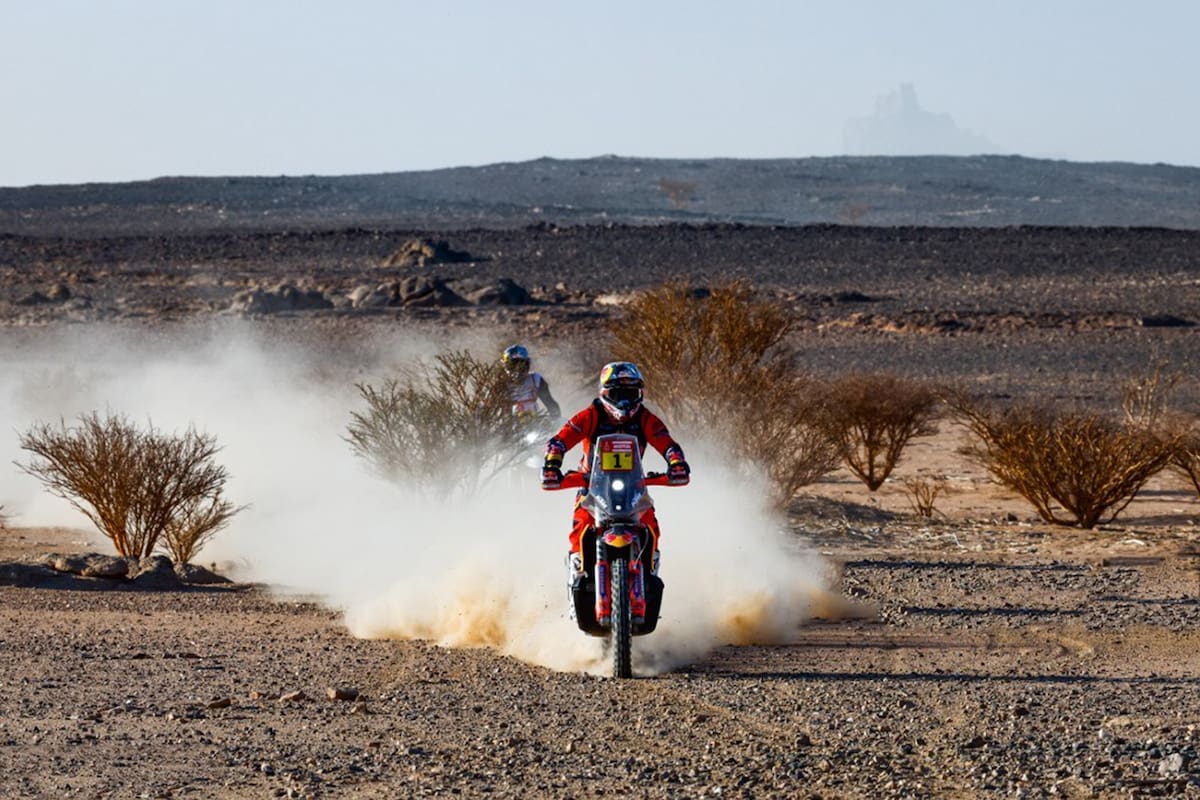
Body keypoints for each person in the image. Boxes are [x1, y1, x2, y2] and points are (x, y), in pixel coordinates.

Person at [541, 361, 690, 584]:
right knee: (580, 526)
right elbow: (560, 441)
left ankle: (649, 572)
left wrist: (676, 463)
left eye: (630, 393)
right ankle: (578, 575)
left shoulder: (645, 418)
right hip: (592, 485)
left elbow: (667, 443)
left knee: (650, 524)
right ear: (605, 393)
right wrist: (552, 465)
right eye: (618, 393)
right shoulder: (591, 415)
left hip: (633, 486)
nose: (624, 401)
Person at [501, 344, 560, 420]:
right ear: (506, 366)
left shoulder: (536, 379)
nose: (518, 369)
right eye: (513, 365)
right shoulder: (501, 384)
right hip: (508, 428)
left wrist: (556, 422)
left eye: (522, 364)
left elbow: (551, 404)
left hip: (535, 425)